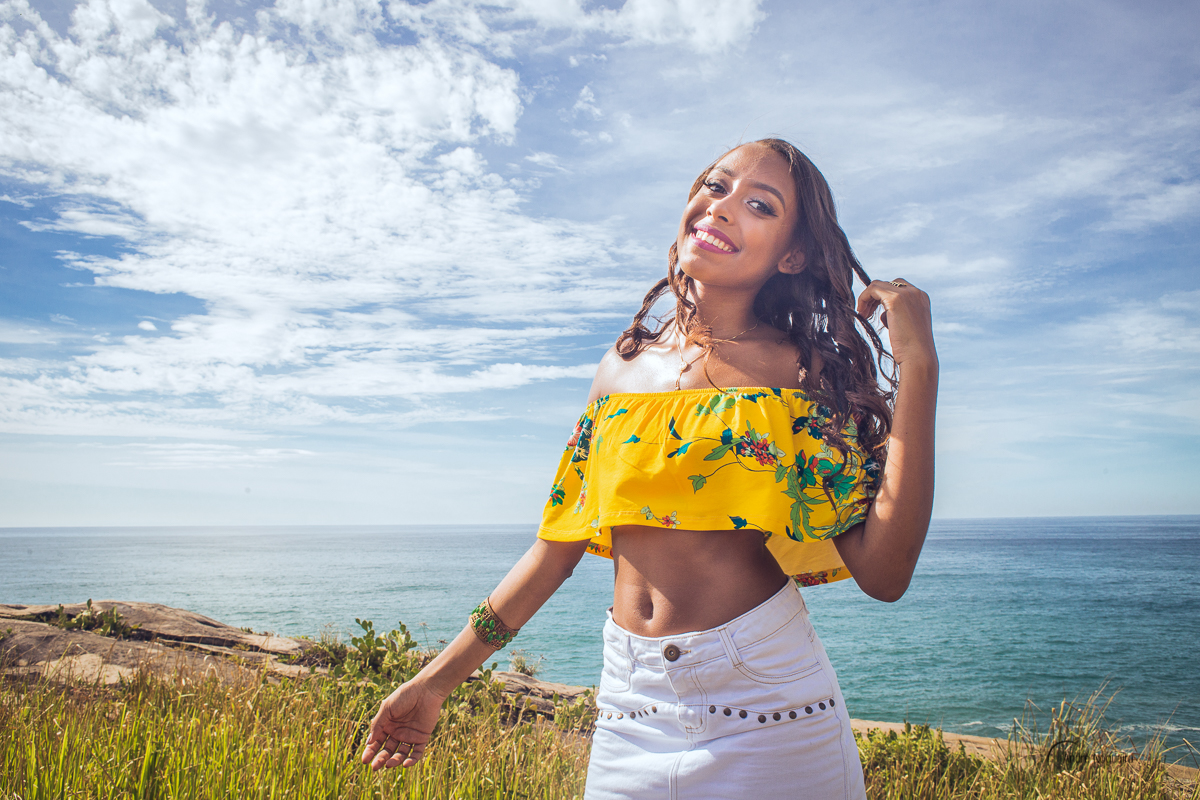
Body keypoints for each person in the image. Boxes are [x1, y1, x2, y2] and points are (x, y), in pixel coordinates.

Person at [359, 138, 938, 799]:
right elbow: (553, 553)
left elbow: (884, 574)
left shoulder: (799, 375)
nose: (720, 209)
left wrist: (919, 366)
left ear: (792, 254)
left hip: (768, 704)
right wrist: (435, 681)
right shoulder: (621, 368)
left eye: (758, 205)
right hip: (630, 703)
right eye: (715, 187)